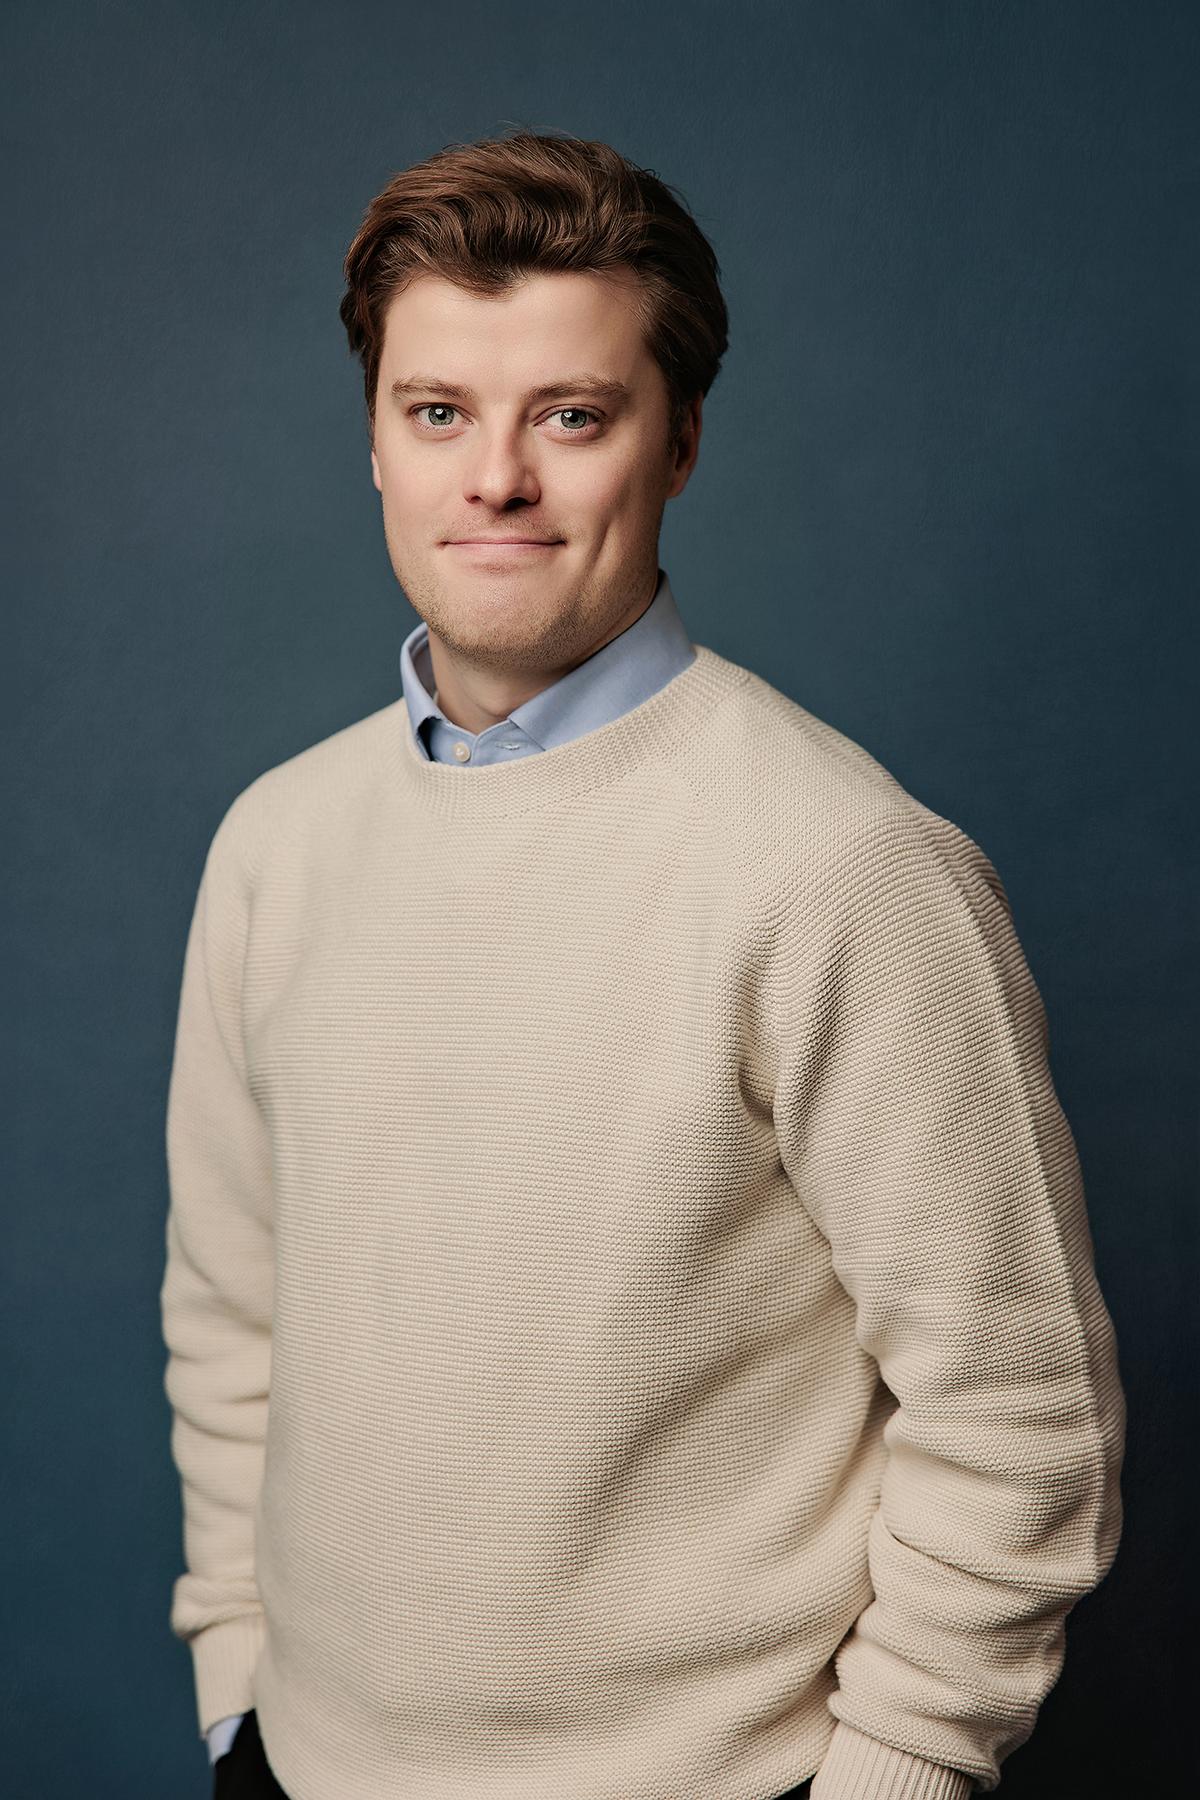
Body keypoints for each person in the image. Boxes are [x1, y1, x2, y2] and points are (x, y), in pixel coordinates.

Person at [160, 129, 1126, 1800]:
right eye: (439, 412)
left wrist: (901, 1773)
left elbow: (1024, 1416)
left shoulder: (844, 865)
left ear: (677, 444)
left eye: (574, 417)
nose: (496, 480)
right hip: (304, 1768)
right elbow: (233, 1311)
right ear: (376, 443)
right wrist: (240, 1681)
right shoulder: (276, 843)